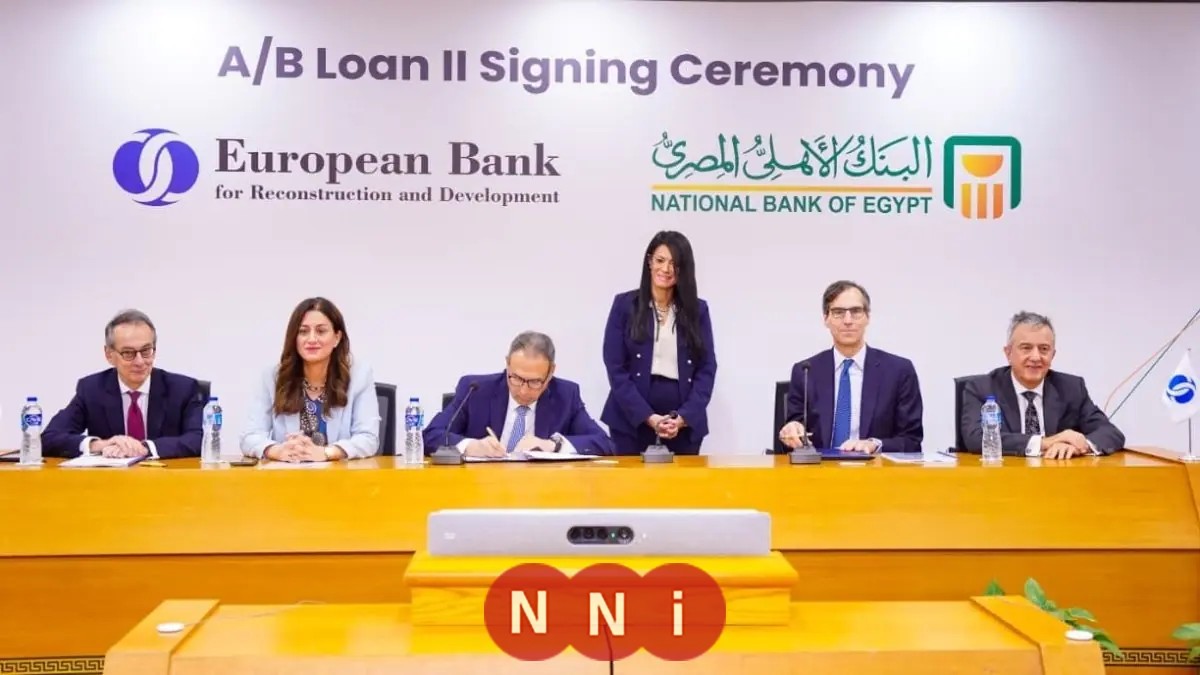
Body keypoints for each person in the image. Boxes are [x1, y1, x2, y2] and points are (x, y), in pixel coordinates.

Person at [600, 231, 717, 455]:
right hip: (630, 421)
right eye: (660, 260)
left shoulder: (697, 310)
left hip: (682, 425)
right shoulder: (625, 305)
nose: (666, 269)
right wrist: (648, 417)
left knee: (682, 480)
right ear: (649, 261)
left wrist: (683, 417)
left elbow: (707, 368)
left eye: (674, 263)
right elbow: (615, 366)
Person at [778, 280, 924, 454]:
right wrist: (791, 431)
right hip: (820, 468)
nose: (848, 321)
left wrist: (875, 444)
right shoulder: (806, 371)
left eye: (856, 312)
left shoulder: (899, 371)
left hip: (875, 468)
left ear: (867, 317)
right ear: (826, 318)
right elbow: (792, 437)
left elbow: (911, 440)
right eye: (838, 312)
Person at [959, 311, 1124, 458]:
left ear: (1053, 354)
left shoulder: (1072, 388)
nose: (1036, 357)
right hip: (1004, 477)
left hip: (1057, 477)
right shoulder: (982, 388)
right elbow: (976, 438)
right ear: (1008, 353)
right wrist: (1045, 443)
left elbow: (1110, 433)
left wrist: (1079, 446)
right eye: (1026, 348)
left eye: (1044, 349)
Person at [423, 331, 614, 457]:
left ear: (550, 373)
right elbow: (431, 435)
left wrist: (553, 445)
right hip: (482, 489)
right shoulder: (475, 390)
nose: (523, 390)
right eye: (515, 378)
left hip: (543, 491)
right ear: (507, 364)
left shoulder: (566, 395)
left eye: (534, 382)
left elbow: (605, 443)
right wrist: (471, 446)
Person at [43, 309, 203, 459]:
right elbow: (49, 438)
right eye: (128, 353)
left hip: (166, 477)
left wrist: (145, 448)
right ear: (109, 355)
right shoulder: (91, 389)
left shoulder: (183, 389)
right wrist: (100, 445)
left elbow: (200, 438)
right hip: (112, 478)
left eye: (146, 351)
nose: (139, 362)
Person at [240, 297, 380, 462]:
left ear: (337, 337)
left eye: (321, 331)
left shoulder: (359, 376)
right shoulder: (272, 377)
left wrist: (327, 453)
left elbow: (368, 438)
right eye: (303, 331)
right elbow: (249, 437)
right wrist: (278, 451)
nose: (311, 339)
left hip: (339, 475)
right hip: (288, 473)